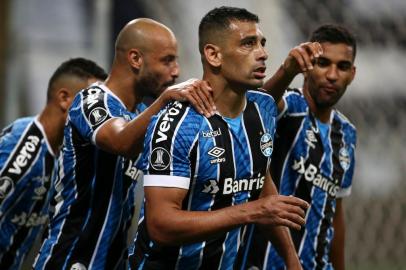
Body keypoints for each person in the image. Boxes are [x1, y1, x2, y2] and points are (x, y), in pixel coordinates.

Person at [129, 7, 311, 270]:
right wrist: (253, 211)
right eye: (248, 44)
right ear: (213, 55)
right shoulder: (178, 124)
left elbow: (260, 180)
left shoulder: (263, 110)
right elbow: (161, 225)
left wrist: (293, 262)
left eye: (262, 43)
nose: (263, 54)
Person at [33, 18, 215, 270]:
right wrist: (164, 100)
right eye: (167, 60)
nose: (176, 71)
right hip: (67, 259)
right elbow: (120, 141)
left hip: (112, 261)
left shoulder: (142, 112)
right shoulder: (91, 99)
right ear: (135, 59)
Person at [243, 24, 357, 270]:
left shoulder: (347, 134)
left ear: (352, 74)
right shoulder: (291, 107)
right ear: (307, 67)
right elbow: (253, 109)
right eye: (323, 63)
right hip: (266, 263)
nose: (332, 75)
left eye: (342, 66)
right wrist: (286, 71)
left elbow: (335, 212)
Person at [0, 58, 107, 270]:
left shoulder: (62, 154)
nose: (98, 111)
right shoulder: (26, 147)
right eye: (92, 100)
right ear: (65, 98)